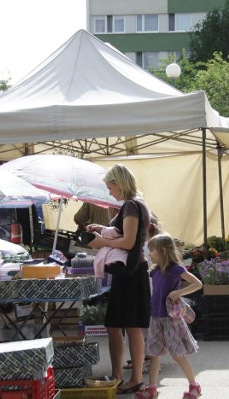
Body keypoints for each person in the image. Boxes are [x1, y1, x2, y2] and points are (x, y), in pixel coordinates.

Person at [87, 164, 151, 394]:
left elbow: (128, 242)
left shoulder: (131, 205)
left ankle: (134, 378)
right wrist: (103, 228)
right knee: (116, 325)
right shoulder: (134, 205)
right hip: (128, 273)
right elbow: (123, 234)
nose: (109, 191)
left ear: (119, 183)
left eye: (109, 186)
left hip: (131, 273)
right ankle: (118, 375)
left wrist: (102, 241)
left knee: (131, 326)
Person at [136, 233, 203, 399]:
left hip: (170, 319)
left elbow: (197, 284)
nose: (149, 254)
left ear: (163, 251)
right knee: (154, 354)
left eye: (152, 251)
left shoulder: (176, 269)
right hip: (156, 318)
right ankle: (152, 387)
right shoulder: (154, 271)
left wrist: (178, 293)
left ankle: (194, 385)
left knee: (177, 355)